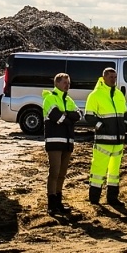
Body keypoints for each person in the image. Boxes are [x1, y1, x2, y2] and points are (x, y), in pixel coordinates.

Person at [83, 67, 127, 208]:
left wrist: (125, 124)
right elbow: (88, 115)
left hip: (118, 141)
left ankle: (112, 198)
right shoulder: (95, 95)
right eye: (111, 77)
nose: (113, 80)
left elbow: (124, 113)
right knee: (98, 170)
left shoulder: (119, 94)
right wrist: (101, 126)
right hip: (103, 140)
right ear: (104, 78)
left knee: (114, 172)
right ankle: (94, 199)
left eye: (115, 77)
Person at [42, 73, 81, 216]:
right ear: (57, 83)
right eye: (65, 83)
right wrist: (68, 117)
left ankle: (58, 202)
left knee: (62, 174)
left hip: (67, 142)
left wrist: (66, 116)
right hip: (54, 141)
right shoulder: (49, 98)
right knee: (54, 172)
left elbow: (79, 115)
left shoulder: (68, 99)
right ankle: (52, 204)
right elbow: (56, 116)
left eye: (68, 83)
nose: (67, 85)